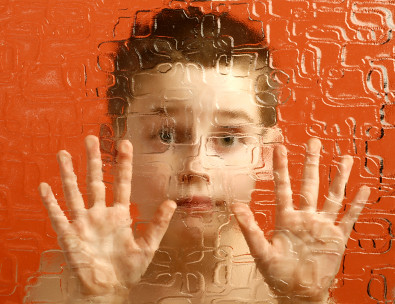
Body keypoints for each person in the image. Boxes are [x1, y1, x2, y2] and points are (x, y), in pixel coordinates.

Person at [33, 7, 370, 304]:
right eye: (165, 135)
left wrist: (305, 301)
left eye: (227, 138)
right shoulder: (76, 277)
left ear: (265, 153)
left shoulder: (293, 282)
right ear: (114, 148)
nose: (196, 166)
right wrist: (99, 300)